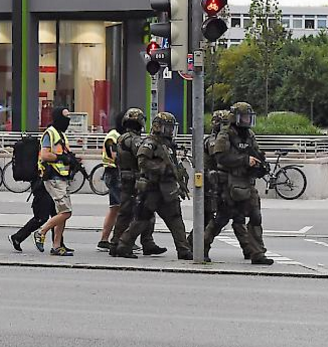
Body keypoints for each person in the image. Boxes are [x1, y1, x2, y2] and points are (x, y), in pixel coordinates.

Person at [203, 102, 274, 265]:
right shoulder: (225, 135)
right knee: (221, 218)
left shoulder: (249, 135)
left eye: (249, 117)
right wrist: (244, 160)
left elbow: (256, 153)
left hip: (247, 182)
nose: (247, 121)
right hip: (228, 182)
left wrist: (260, 165)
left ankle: (257, 253)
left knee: (255, 216)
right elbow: (220, 158)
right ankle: (202, 247)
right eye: (244, 117)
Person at [116, 112, 192, 260]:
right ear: (158, 127)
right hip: (152, 189)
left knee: (176, 220)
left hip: (167, 188)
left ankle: (183, 250)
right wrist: (162, 168)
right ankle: (123, 246)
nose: (170, 131)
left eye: (171, 128)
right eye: (167, 128)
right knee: (141, 220)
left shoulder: (167, 144)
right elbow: (142, 162)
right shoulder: (150, 143)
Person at [187, 110, 252, 260]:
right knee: (212, 217)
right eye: (223, 123)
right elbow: (220, 159)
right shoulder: (212, 141)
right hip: (212, 182)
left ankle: (248, 248)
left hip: (226, 181)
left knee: (237, 216)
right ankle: (195, 245)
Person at [109, 108, 166, 257]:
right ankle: (122, 243)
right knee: (138, 212)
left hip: (126, 178)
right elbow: (142, 156)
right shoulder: (134, 139)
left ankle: (141, 242)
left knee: (133, 212)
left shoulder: (121, 137)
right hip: (134, 180)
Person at [33, 107, 75, 256]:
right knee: (66, 212)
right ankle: (41, 231)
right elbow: (44, 155)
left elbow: (62, 152)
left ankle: (57, 246)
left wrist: (71, 159)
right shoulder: (50, 133)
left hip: (61, 177)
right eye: (65, 118)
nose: (67, 122)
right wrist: (61, 158)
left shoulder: (60, 134)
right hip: (53, 177)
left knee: (62, 212)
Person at [8, 178, 75, 254]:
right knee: (41, 217)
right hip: (44, 185)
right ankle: (18, 237)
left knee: (57, 214)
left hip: (46, 183)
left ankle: (58, 245)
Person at [96, 112, 125, 251]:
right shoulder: (113, 136)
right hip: (114, 173)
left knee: (115, 208)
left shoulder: (118, 135)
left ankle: (104, 240)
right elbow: (113, 155)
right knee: (124, 207)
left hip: (114, 173)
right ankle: (120, 239)